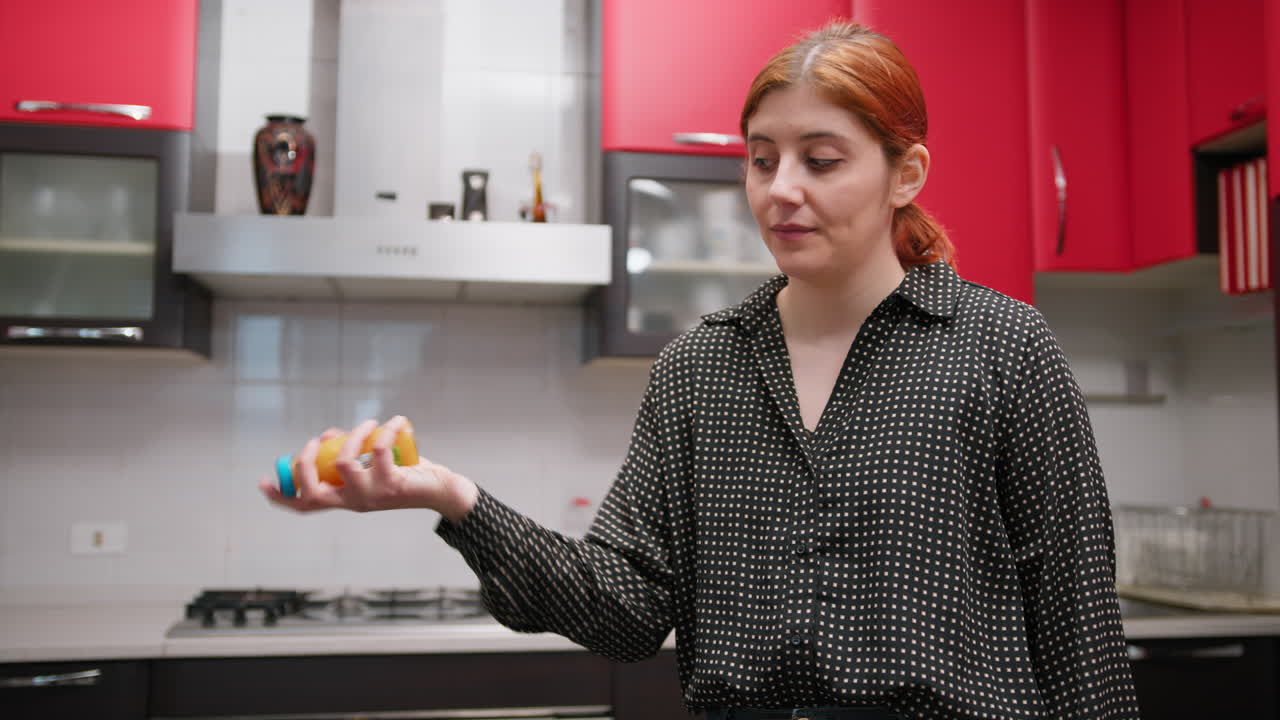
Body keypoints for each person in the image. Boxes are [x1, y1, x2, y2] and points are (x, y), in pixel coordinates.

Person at [260, 21, 1140, 720]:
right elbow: (627, 610)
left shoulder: (1003, 349)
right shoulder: (700, 369)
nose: (779, 188)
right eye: (760, 160)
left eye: (820, 160)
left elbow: (1078, 630)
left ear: (905, 172)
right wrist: (453, 500)